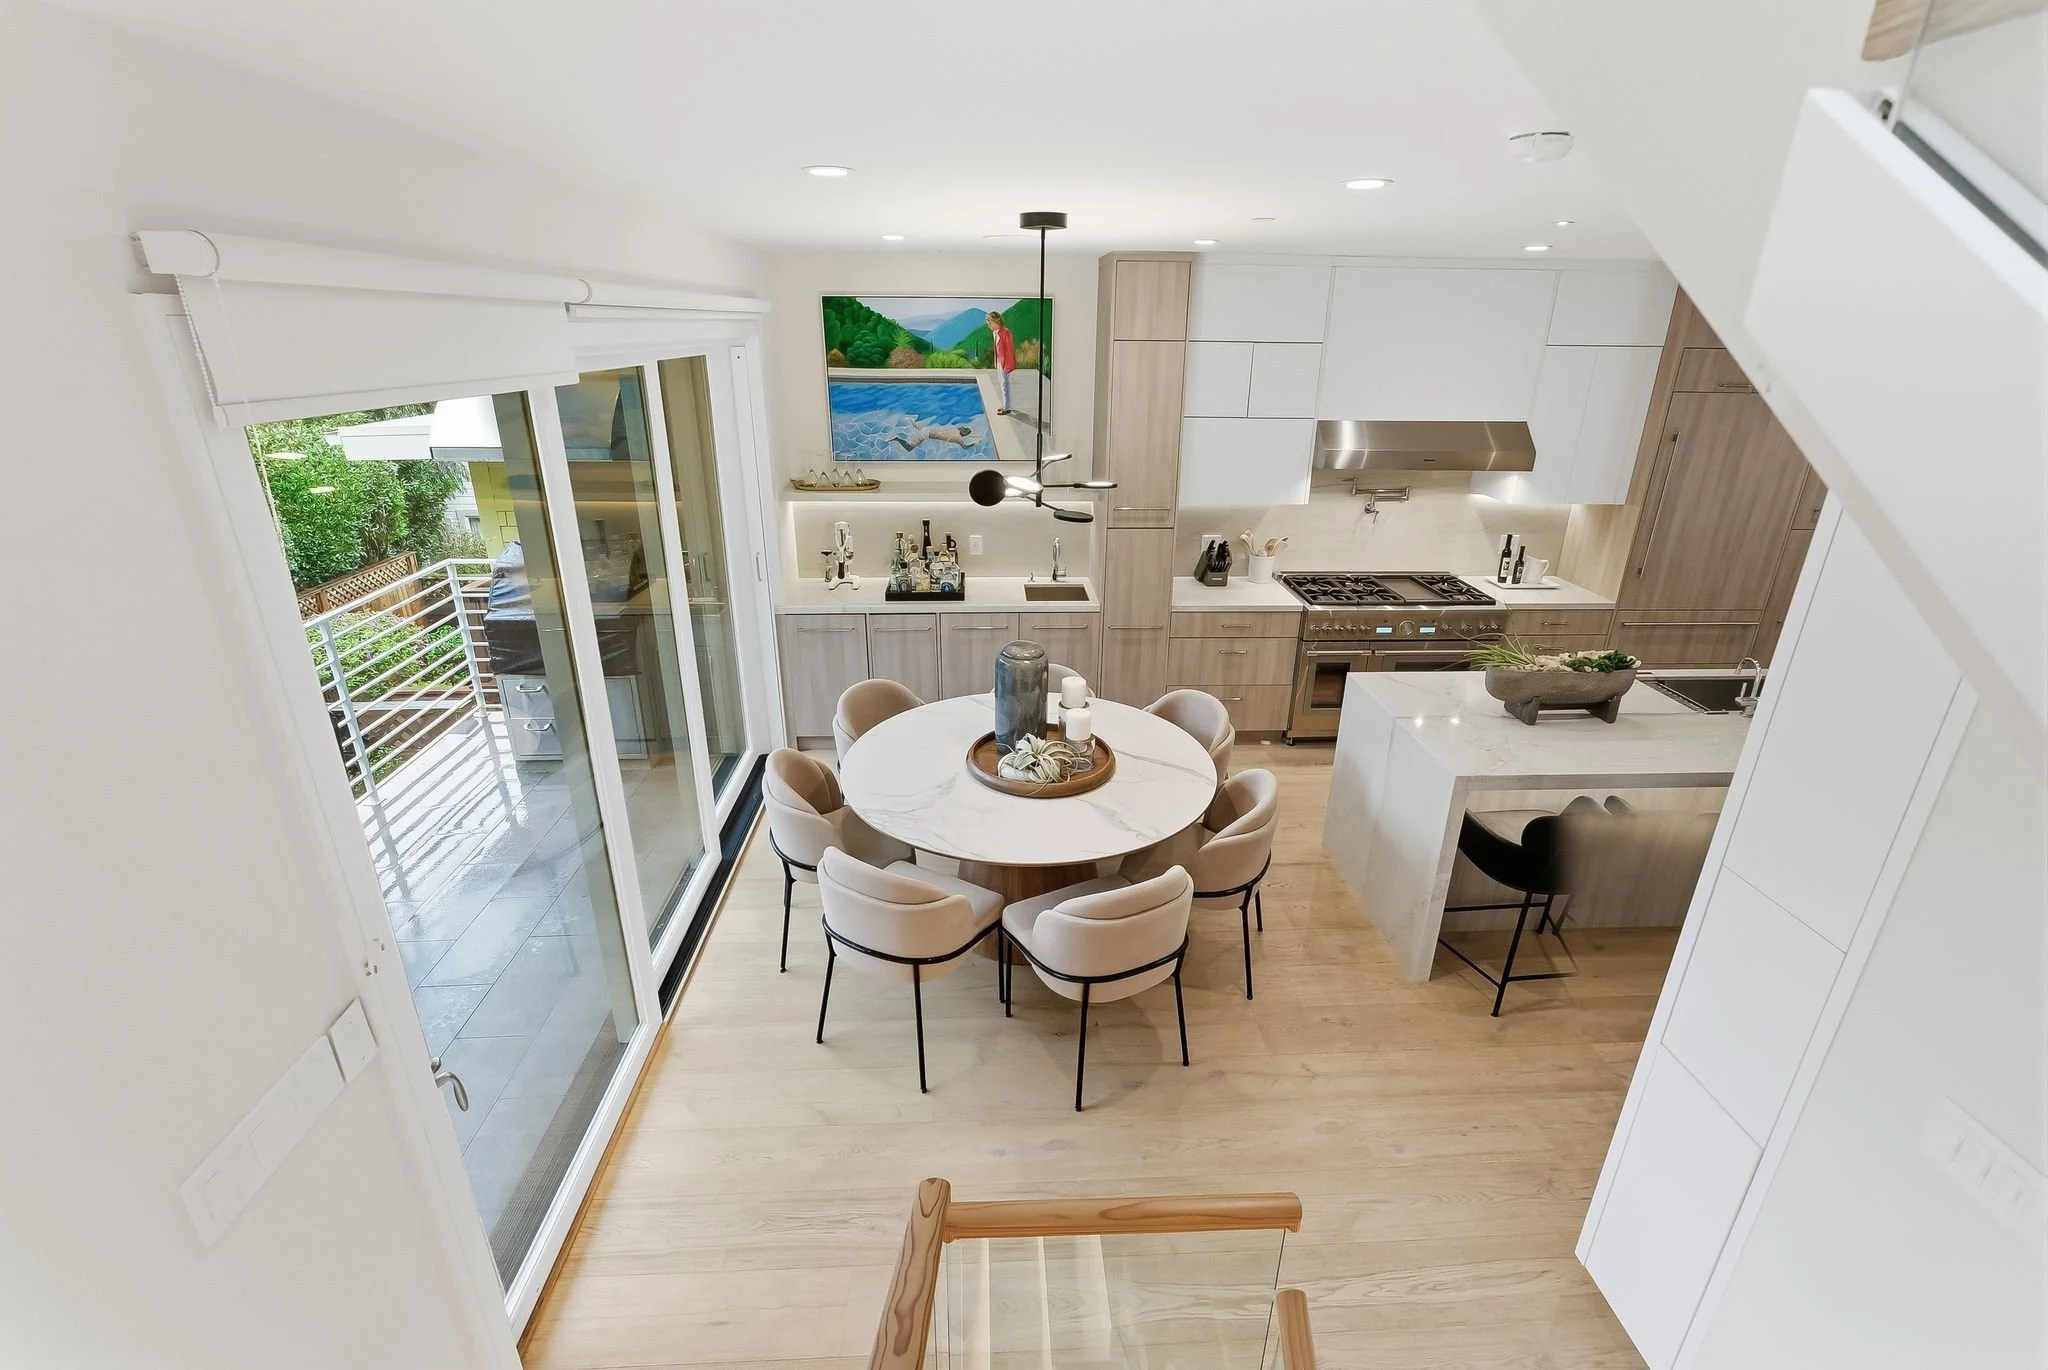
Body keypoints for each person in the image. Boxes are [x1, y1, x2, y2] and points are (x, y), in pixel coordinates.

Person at [988, 309, 1018, 415]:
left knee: (1005, 384)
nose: (988, 324)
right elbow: (996, 349)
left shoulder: (1006, 332)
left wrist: (1008, 365)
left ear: (996, 321)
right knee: (1002, 384)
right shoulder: (995, 333)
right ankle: (1006, 405)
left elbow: (1010, 350)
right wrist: (996, 362)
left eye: (990, 322)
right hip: (999, 362)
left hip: (1005, 362)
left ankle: (1006, 408)